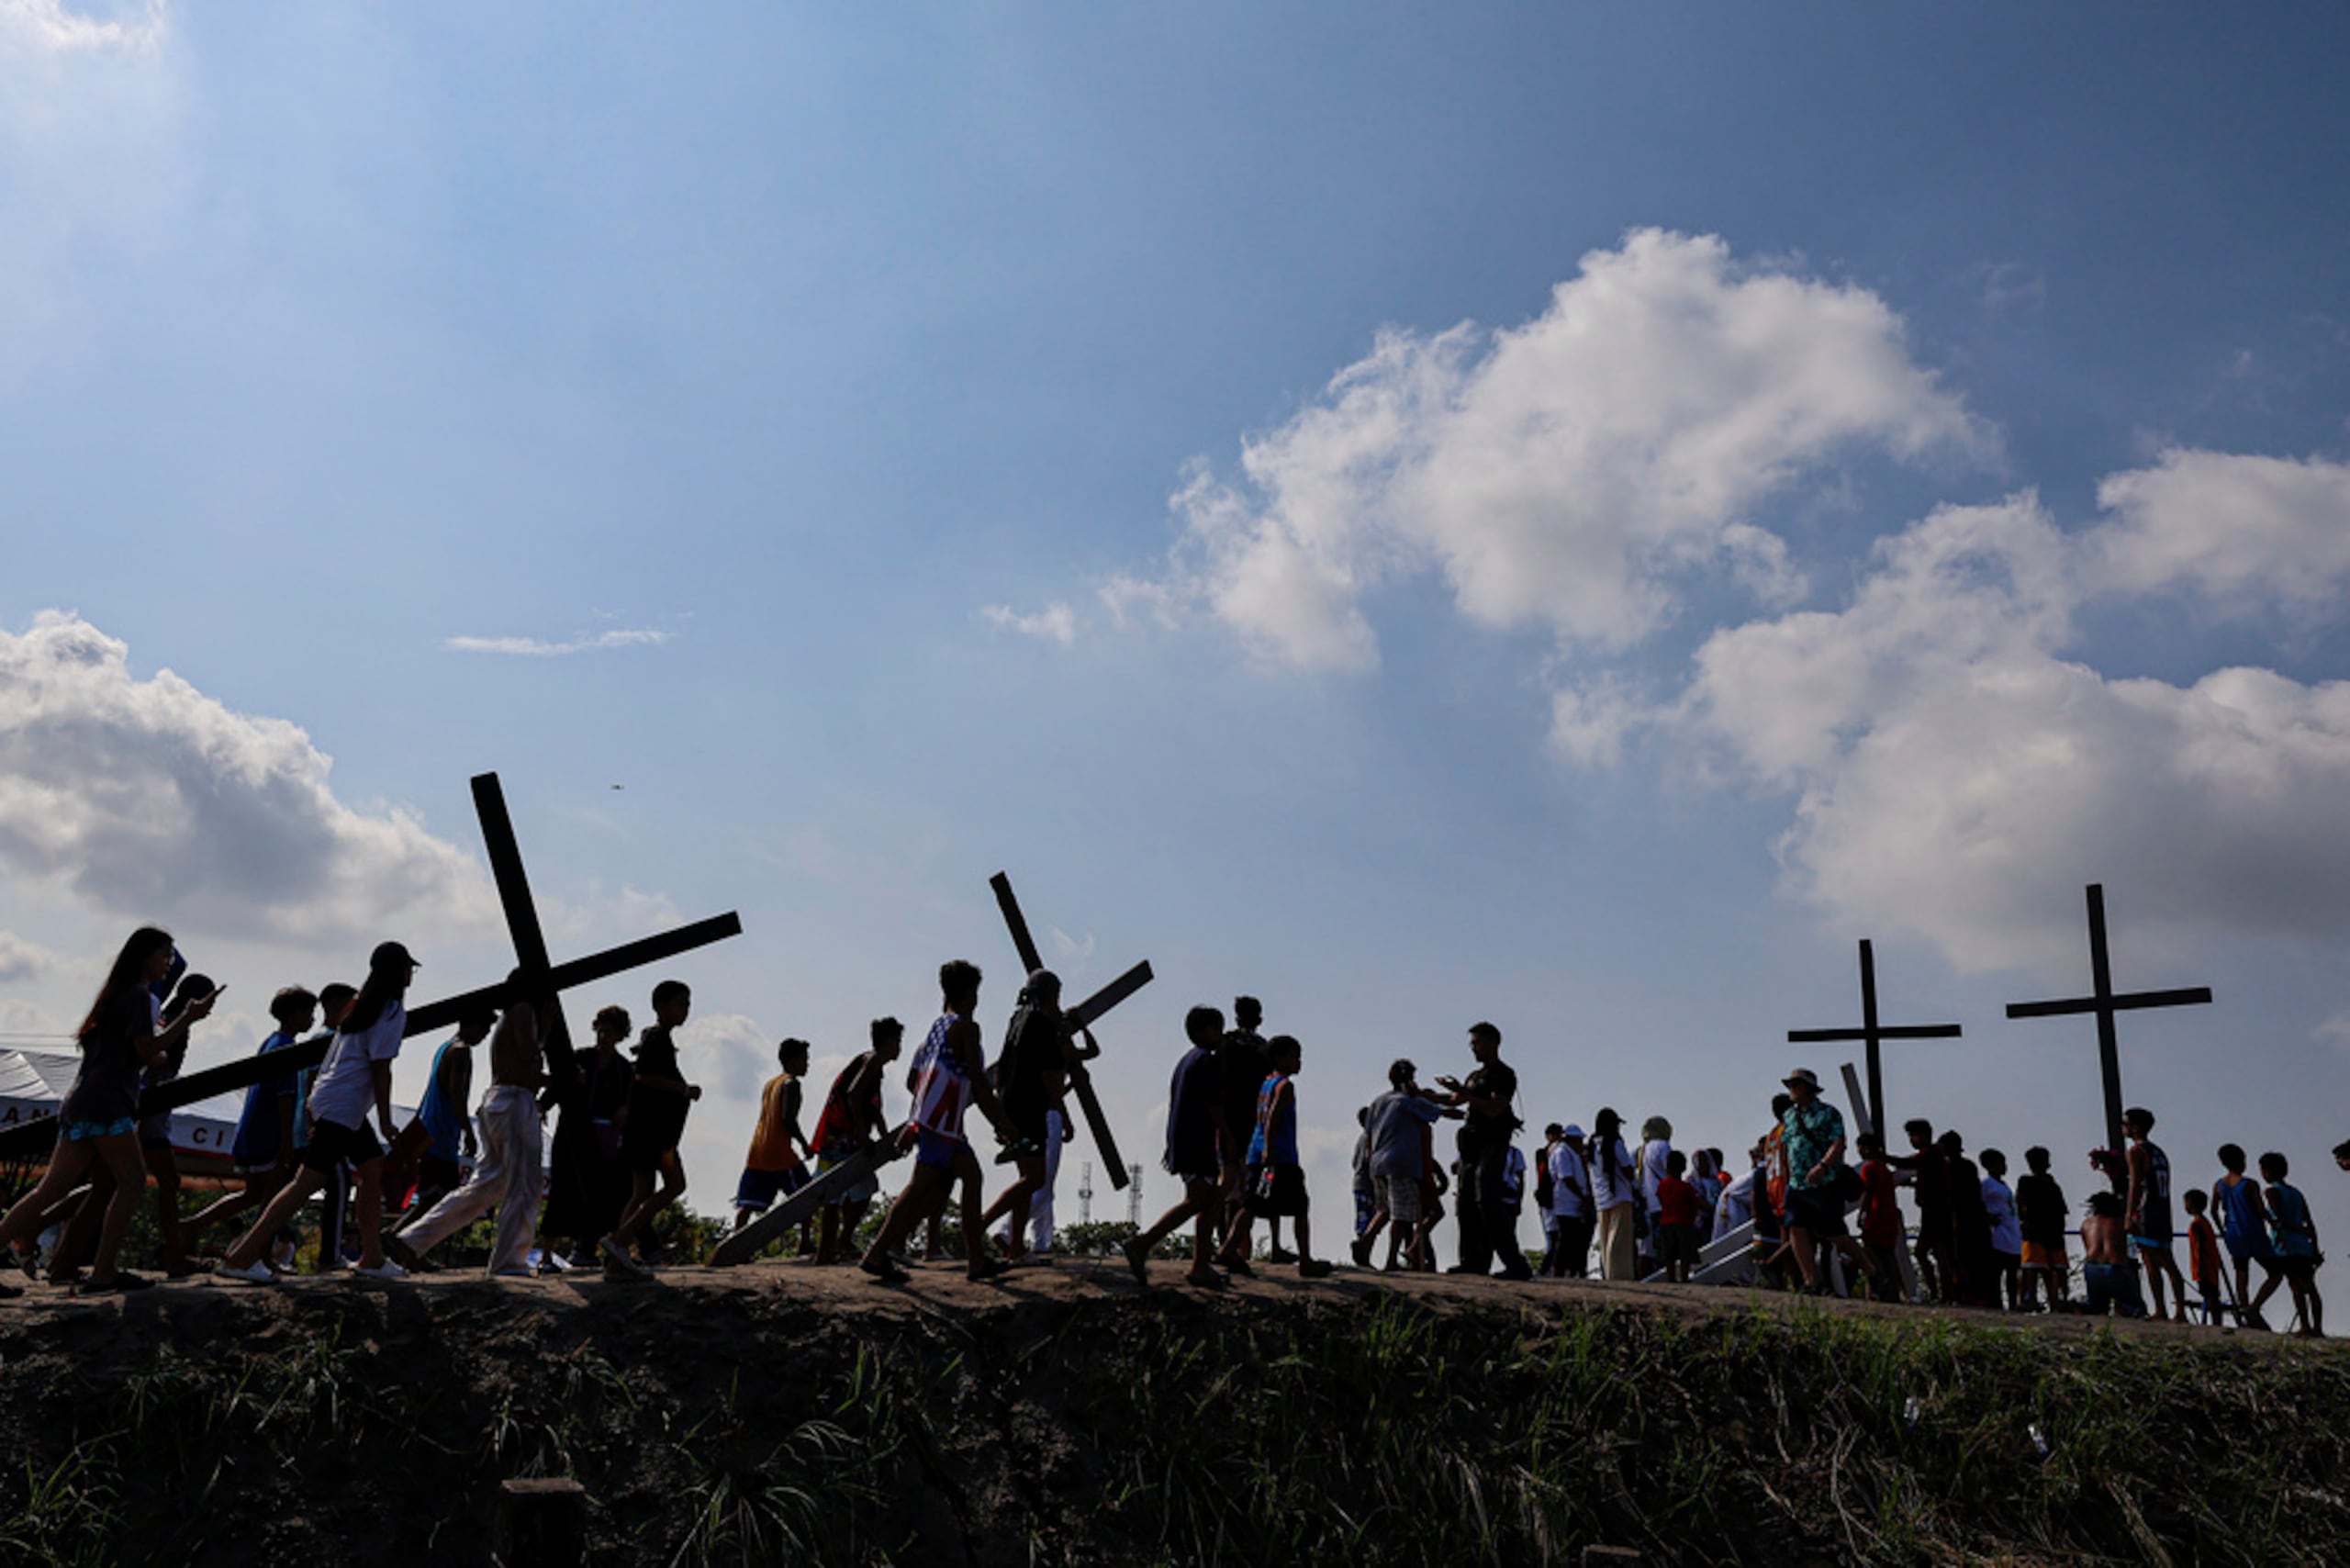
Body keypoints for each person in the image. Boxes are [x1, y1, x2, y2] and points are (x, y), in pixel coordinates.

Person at [0, 928, 217, 1295]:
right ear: (146, 956)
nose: (168, 963)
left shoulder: (114, 995)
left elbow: (139, 1050)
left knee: (50, 1190)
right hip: (110, 1100)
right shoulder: (137, 997)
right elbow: (148, 1051)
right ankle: (103, 1272)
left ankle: (94, 1267)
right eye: (165, 955)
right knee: (131, 1182)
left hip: (82, 1098)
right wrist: (189, 1018)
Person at [217, 942, 417, 1283]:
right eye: (409, 968)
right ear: (399, 971)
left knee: (371, 1170)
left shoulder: (357, 1006)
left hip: (334, 1100)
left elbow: (331, 1061)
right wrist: (385, 1118)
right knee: (304, 1185)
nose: (412, 973)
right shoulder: (392, 1010)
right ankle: (241, 1257)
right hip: (346, 1106)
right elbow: (382, 1067)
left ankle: (372, 1256)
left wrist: (313, 1107)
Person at [859, 961, 1020, 1284]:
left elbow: (914, 1080)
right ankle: (877, 1254)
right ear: (971, 993)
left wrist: (916, 1120)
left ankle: (976, 1261)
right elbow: (978, 1082)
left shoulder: (936, 1028)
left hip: (938, 1123)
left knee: (969, 1177)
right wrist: (1003, 1123)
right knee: (923, 1186)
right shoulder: (966, 1029)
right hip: (942, 1124)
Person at [389, 996, 551, 1277]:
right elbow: (527, 1057)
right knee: (524, 1185)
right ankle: (509, 1261)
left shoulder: (505, 1019)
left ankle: (413, 1240)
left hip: (497, 1104)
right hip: (510, 1101)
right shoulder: (522, 1009)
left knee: (484, 1188)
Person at [185, 986, 322, 1241]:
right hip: (268, 1133)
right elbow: (285, 1099)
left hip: (251, 1129)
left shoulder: (271, 1041)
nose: (312, 1019)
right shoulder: (287, 1049)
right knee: (272, 1197)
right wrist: (287, 1142)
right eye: (309, 1013)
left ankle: (194, 1224)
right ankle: (259, 1253)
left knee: (253, 1194)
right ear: (295, 1015)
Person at [980, 971, 1097, 1261]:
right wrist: (1063, 1115)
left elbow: (1002, 1069)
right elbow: (1050, 1077)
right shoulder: (1043, 1025)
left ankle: (1015, 1247)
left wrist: (1001, 1114)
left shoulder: (1018, 1019)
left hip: (1013, 1103)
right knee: (1035, 1178)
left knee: (1027, 1177)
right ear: (1052, 994)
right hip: (1034, 1107)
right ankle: (981, 1225)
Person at [599, 981, 703, 1277]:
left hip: (645, 1133)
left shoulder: (656, 1038)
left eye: (687, 1003)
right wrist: (683, 1089)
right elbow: (644, 1076)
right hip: (658, 1136)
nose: (685, 1009)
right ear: (661, 1006)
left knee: (641, 1192)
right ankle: (619, 1241)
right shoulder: (657, 1038)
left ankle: (616, 1263)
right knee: (674, 1185)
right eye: (680, 1003)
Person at [1125, 1005, 1232, 1288]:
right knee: (1200, 1200)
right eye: (1215, 1028)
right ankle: (1142, 1244)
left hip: (1185, 1139)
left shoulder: (1187, 1061)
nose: (1219, 1034)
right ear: (1203, 1031)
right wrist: (1228, 1137)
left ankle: (1200, 1265)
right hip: (1197, 1141)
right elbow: (1214, 1107)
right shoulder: (1205, 1061)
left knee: (1208, 1201)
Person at [539, 1003, 635, 1271]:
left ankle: (589, 1249)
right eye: (601, 1030)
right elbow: (558, 1085)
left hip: (603, 1141)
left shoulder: (623, 1069)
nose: (603, 1036)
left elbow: (629, 1100)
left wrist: (624, 1111)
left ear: (620, 1035)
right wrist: (542, 1105)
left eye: (610, 1031)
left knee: (603, 1195)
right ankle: (546, 1256)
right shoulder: (581, 1057)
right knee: (561, 1193)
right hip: (571, 1136)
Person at [1434, 1022, 1530, 1280]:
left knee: (1487, 1199)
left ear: (1492, 1043)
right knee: (1465, 1202)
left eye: (1476, 1043)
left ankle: (1515, 1263)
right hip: (1471, 1145)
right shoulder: (1474, 1076)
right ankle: (1472, 1262)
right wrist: (1426, 1096)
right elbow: (1455, 1101)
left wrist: (1463, 1093)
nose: (1472, 1048)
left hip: (1493, 1142)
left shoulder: (1503, 1074)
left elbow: (1494, 1108)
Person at [1229, 1035, 1331, 1278]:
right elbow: (1273, 1117)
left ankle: (1228, 1247)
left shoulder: (1267, 1083)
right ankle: (1305, 1261)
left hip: (1259, 1154)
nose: (1299, 1062)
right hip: (1280, 1159)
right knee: (1300, 1206)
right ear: (1280, 1058)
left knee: (1253, 1203)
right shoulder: (1285, 1086)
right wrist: (1270, 1151)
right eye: (1295, 1057)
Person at [140, 969, 218, 1276]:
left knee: (108, 1185)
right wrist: (146, 1121)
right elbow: (155, 1072)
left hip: (153, 1110)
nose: (211, 1008)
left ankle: (174, 1252)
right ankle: (173, 1254)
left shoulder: (169, 1018)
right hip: (151, 1110)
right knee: (167, 1181)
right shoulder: (175, 1023)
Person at [811, 1018, 901, 1265]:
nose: (899, 1047)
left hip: (844, 1135)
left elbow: (873, 1106)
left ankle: (835, 1245)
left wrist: (885, 1139)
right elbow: (853, 1092)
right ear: (889, 1042)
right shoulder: (871, 1060)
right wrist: (862, 1136)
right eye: (898, 1041)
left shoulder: (876, 1065)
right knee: (837, 1191)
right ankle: (830, 1248)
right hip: (840, 1135)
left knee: (855, 1190)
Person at [1355, 1059, 1450, 1271]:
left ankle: (1366, 1240)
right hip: (1401, 1163)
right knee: (1401, 1215)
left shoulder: (1378, 1102)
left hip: (1377, 1163)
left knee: (1384, 1210)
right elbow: (1441, 1111)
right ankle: (1390, 1260)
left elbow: (1369, 1134)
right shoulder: (1408, 1102)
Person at [408, 1009, 494, 1221]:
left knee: (436, 1200)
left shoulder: (444, 1048)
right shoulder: (460, 1052)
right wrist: (469, 1132)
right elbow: (457, 1096)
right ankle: (398, 1237)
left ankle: (406, 1244)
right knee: (440, 1202)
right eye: (484, 1029)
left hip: (432, 1133)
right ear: (470, 1025)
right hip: (441, 1136)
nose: (485, 1035)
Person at [732, 1038, 815, 1243]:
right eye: (804, 1059)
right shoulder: (791, 1084)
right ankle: (805, 1242)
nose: (807, 1064)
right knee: (808, 1194)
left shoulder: (771, 1084)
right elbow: (788, 1118)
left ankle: (734, 1243)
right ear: (793, 1060)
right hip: (780, 1152)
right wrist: (805, 1144)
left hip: (758, 1149)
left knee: (748, 1204)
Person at [2123, 1107, 2188, 1324]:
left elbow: (2135, 1184)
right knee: (2166, 1261)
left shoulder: (2136, 1151)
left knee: (2154, 1261)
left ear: (2135, 1127)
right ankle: (2176, 1310)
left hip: (2146, 1209)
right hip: (2162, 1209)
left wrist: (2129, 1214)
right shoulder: (2158, 1152)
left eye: (2126, 1124)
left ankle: (2163, 1308)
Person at [2212, 1144, 2283, 1329]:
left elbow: (2213, 1211)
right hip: (2253, 1232)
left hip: (2233, 1233)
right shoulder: (2250, 1184)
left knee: (2241, 1273)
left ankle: (2245, 1311)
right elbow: (2260, 1210)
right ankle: (2254, 1307)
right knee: (2275, 1273)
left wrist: (2222, 1229)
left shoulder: (2219, 1186)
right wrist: (2273, 1222)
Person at [1888, 1119, 1957, 1303]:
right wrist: (1912, 1184)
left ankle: (1942, 1293)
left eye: (1914, 1135)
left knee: (1932, 1252)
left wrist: (1882, 1156)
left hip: (1935, 1211)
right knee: (1933, 1251)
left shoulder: (1930, 1153)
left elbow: (1906, 1162)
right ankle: (1941, 1293)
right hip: (1933, 1210)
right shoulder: (1933, 1156)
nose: (1912, 1139)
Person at [2260, 1151, 2323, 1338]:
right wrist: (2315, 1247)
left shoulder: (2272, 1192)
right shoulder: (2296, 1193)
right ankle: (2317, 1328)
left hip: (2286, 1245)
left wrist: (2266, 1215)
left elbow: (2280, 1219)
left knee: (2295, 1287)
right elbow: (2309, 1222)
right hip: (2304, 1246)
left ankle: (2305, 1325)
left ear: (2268, 1171)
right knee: (2311, 1287)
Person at [2014, 1146, 2071, 1311]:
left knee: (2032, 1268)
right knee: (2052, 1270)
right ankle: (2055, 1301)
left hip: (2034, 1229)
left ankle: (2031, 1300)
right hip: (2051, 1231)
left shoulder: (2026, 1182)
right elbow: (2062, 1212)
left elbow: (2019, 1202)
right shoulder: (2052, 1186)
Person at [1588, 1108, 1639, 1282]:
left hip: (1601, 1197)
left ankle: (1608, 1272)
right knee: (1619, 1239)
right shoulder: (1615, 1142)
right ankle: (1620, 1273)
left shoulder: (1592, 1144)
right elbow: (1627, 1168)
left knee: (1605, 1238)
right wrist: (1636, 1186)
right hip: (1620, 1195)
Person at [1854, 1131, 1906, 1302]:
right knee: (1888, 1254)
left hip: (1876, 1215)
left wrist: (1862, 1213)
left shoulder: (1868, 1168)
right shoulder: (1884, 1168)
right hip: (1889, 1214)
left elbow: (1867, 1193)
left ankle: (1879, 1281)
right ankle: (1895, 1290)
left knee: (1870, 1249)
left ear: (1866, 1149)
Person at [2080, 1190, 2147, 1317]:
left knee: (2096, 1306)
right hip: (2116, 1268)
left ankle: (2075, 1308)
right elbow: (2138, 1238)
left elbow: (2087, 1246)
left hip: (2092, 1268)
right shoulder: (2120, 1222)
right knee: (2135, 1308)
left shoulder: (2086, 1224)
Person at [1544, 1124, 1592, 1280]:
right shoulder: (1562, 1153)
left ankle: (1571, 1271)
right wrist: (1582, 1196)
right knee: (1564, 1239)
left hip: (1574, 1203)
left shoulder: (1573, 1154)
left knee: (1573, 1240)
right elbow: (1566, 1178)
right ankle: (1558, 1271)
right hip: (1566, 1202)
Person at [1980, 1148, 2022, 1313]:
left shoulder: (2005, 1186)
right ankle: (1996, 1303)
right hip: (1998, 1235)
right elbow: (1979, 1204)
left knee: (2013, 1274)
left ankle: (2013, 1303)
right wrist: (1988, 1218)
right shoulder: (1986, 1185)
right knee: (1997, 1272)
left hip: (2012, 1234)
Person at [1634, 1116, 1674, 1278]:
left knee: (1646, 1248)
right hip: (1662, 1202)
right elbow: (1670, 1170)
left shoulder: (1643, 1149)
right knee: (1663, 1245)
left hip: (1647, 1202)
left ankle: (1646, 1278)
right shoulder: (1662, 1146)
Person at [1653, 1150, 1699, 1283]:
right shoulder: (1686, 1187)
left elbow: (1660, 1198)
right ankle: (1684, 1278)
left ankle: (1671, 1278)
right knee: (1685, 1255)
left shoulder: (1662, 1185)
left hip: (1666, 1222)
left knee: (1669, 1255)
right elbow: (1693, 1205)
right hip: (1684, 1223)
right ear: (1683, 1167)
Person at [2182, 1188, 2226, 1326]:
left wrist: (2201, 1266)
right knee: (2212, 1294)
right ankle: (2215, 1321)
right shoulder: (2205, 1223)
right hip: (2210, 1263)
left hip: (2204, 1265)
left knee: (2211, 1295)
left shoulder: (2197, 1225)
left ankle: (2215, 1322)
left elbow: (2200, 1246)